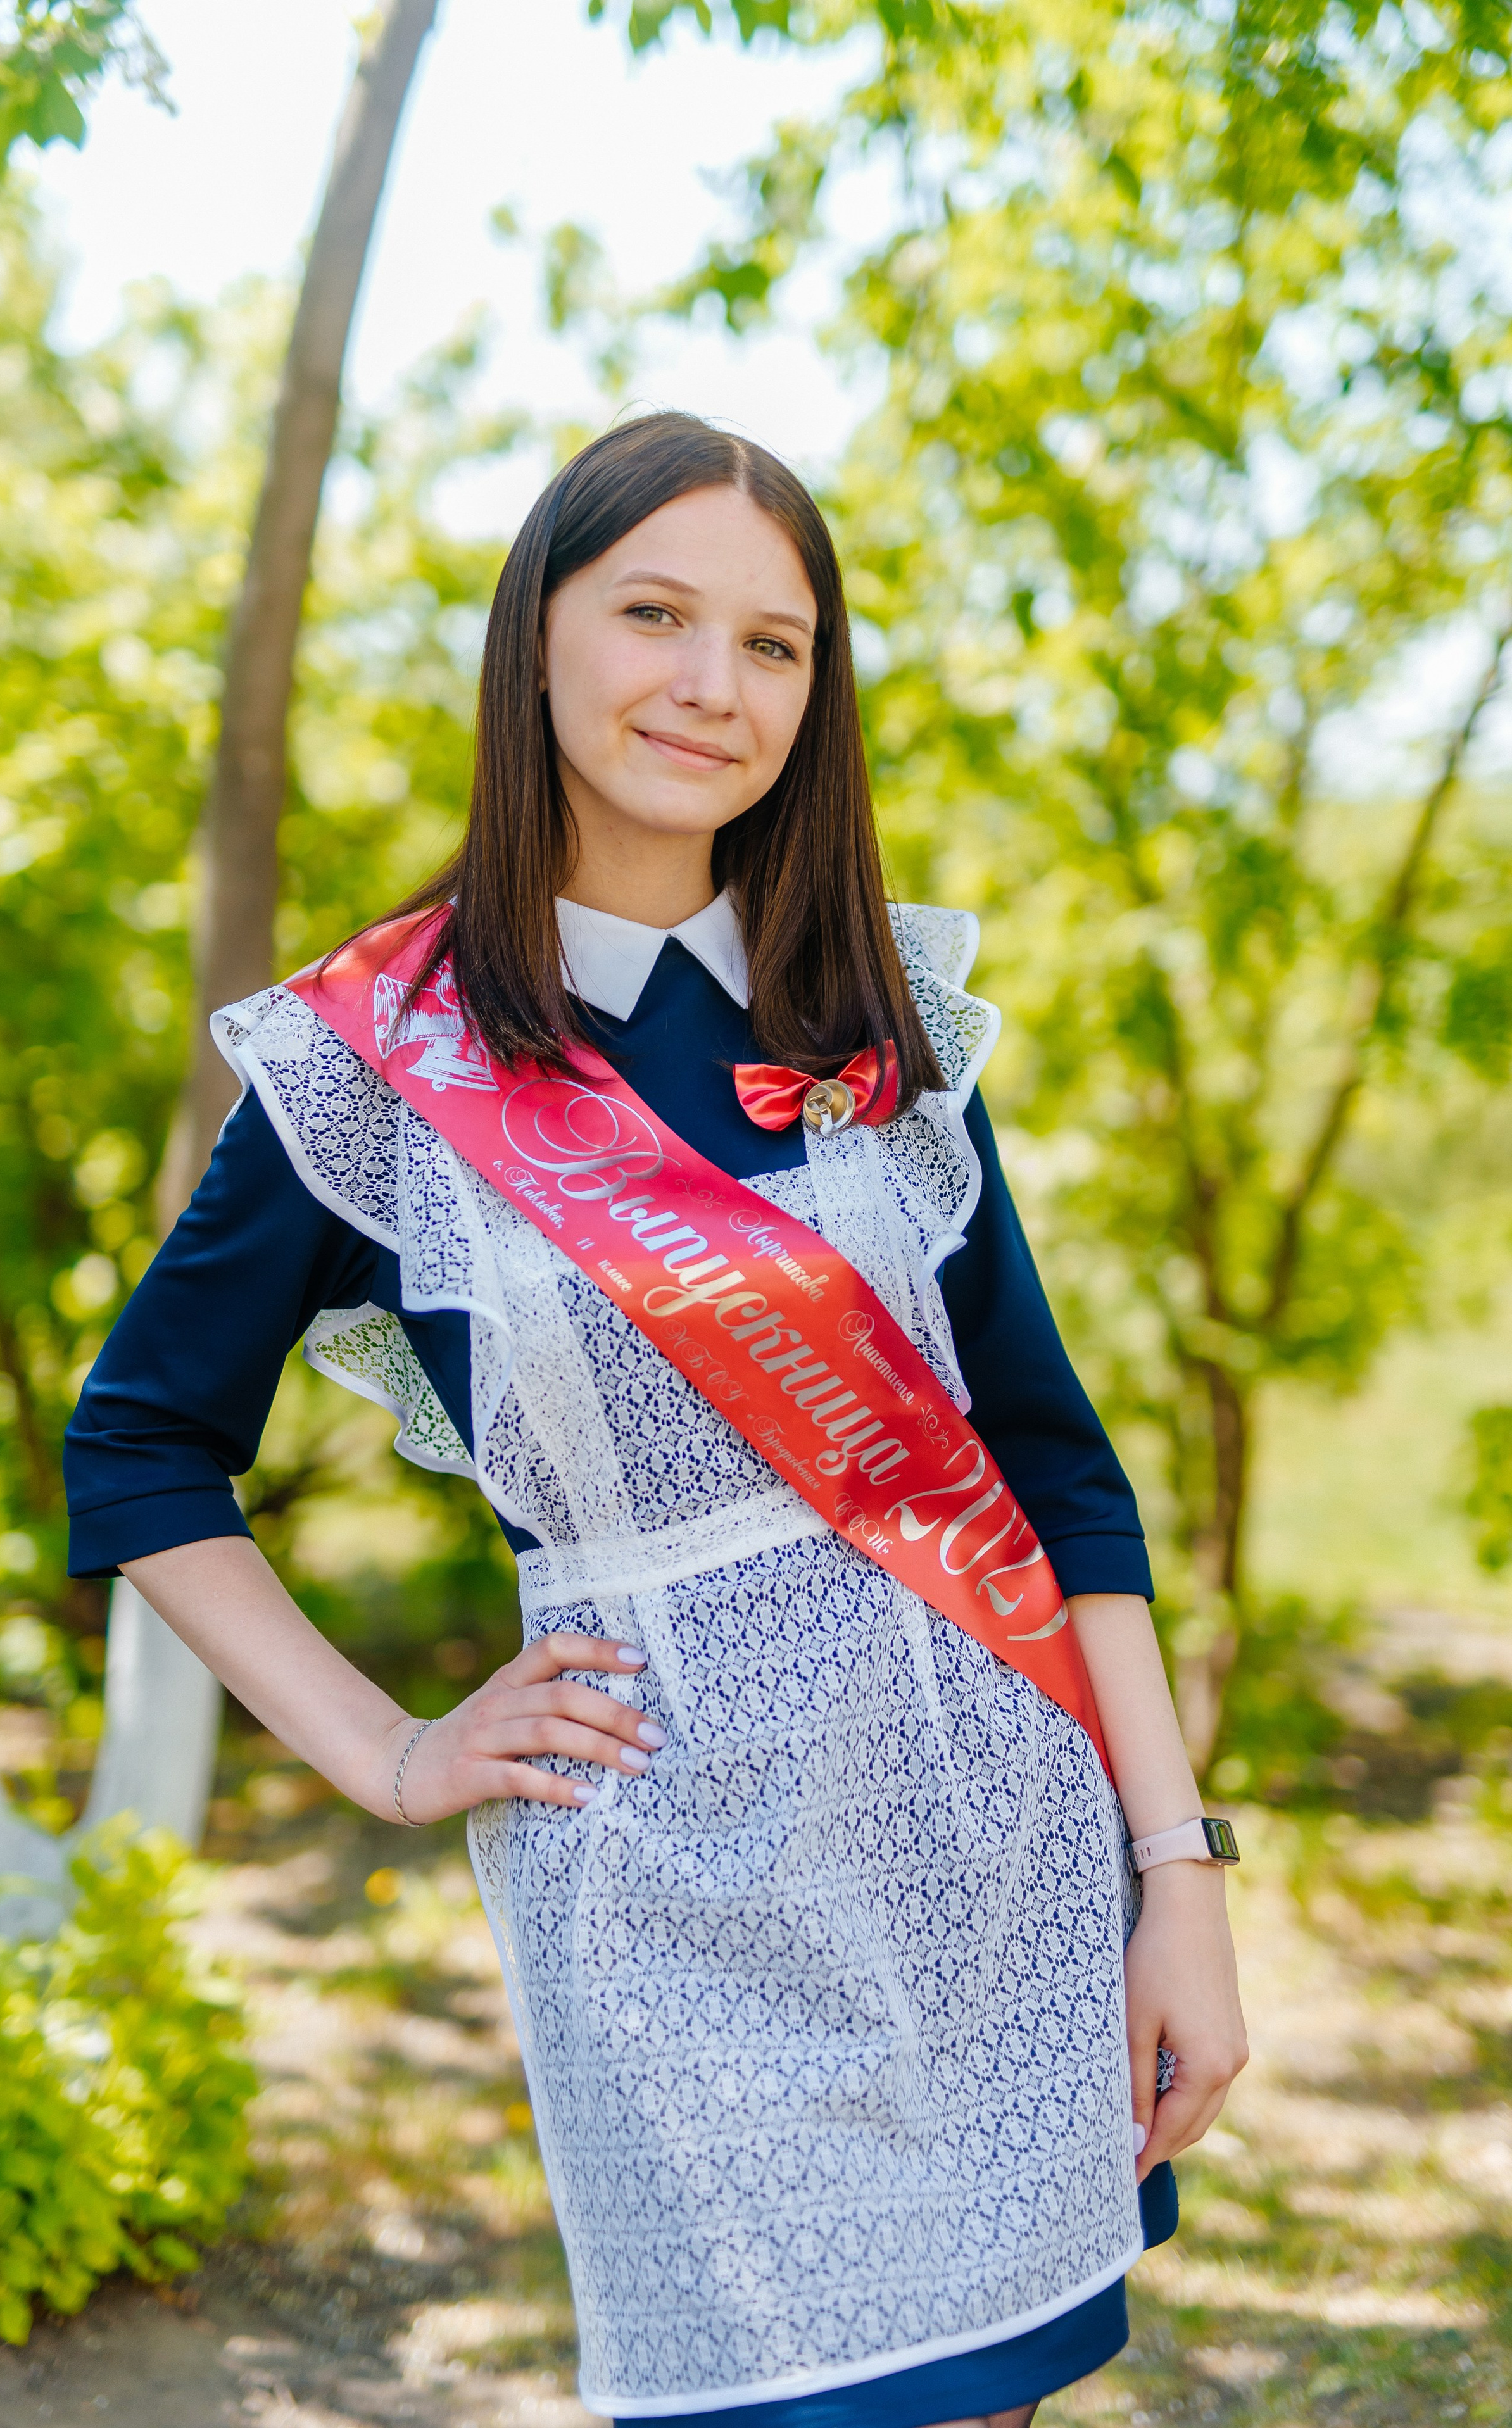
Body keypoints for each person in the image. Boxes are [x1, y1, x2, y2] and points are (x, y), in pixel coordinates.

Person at [65, 412, 1247, 2428]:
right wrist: (395, 1751)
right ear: (540, 639)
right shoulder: (383, 1057)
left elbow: (1053, 1463)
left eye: (776, 644)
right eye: (656, 614)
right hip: (669, 1898)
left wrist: (1182, 1879)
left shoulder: (878, 1017)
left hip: (991, 1863)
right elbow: (141, 1444)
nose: (715, 684)